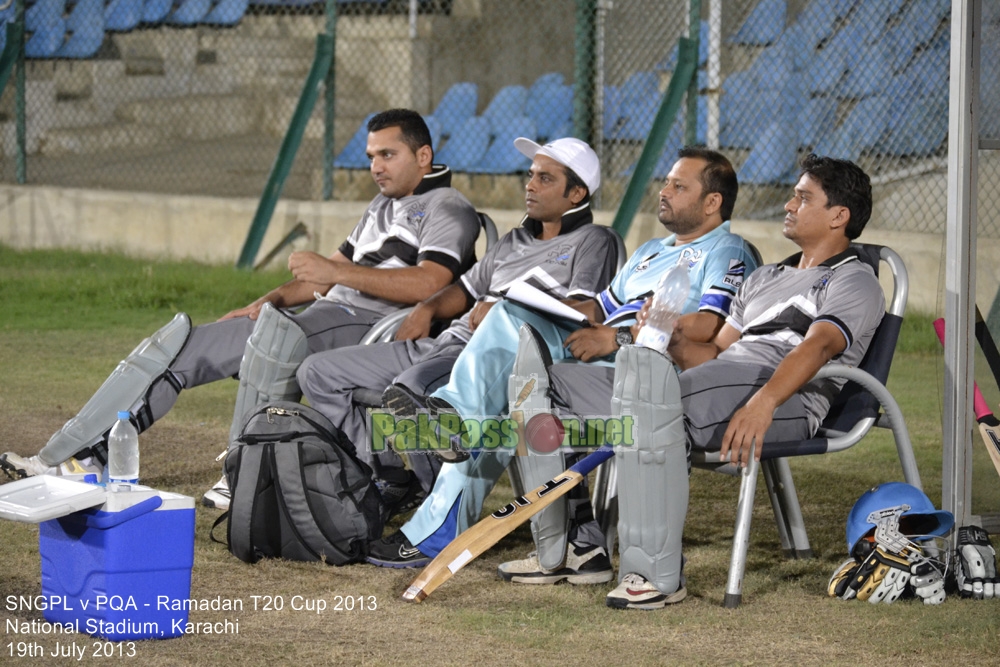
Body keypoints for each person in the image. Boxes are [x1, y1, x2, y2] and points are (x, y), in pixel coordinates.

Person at [0, 109, 481, 511]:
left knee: (268, 347)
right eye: (371, 156)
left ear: (423, 156)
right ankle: (79, 451)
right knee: (179, 346)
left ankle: (242, 473)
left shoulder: (447, 207)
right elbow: (323, 272)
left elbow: (431, 282)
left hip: (371, 328)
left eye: (388, 155)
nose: (376, 166)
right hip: (329, 314)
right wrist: (263, 302)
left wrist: (334, 277)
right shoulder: (380, 205)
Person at [504, 154, 885, 611]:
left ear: (839, 216)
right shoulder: (767, 277)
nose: (788, 205)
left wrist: (764, 403)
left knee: (651, 401)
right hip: (718, 381)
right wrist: (664, 334)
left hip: (784, 397)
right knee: (547, 385)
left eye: (803, 198)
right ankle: (570, 547)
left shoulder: (854, 280)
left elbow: (817, 349)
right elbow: (715, 355)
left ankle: (656, 573)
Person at [367, 147, 759, 570]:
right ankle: (576, 541)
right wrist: (545, 304)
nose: (663, 191)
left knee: (508, 399)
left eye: (679, 186)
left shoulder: (727, 249)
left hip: (647, 367)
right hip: (598, 351)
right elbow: (598, 311)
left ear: (712, 201)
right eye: (665, 182)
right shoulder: (649, 251)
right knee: (511, 327)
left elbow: (706, 327)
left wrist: (618, 338)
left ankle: (457, 476)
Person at [297, 136, 620, 520]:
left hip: (498, 360)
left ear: (577, 192)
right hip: (447, 342)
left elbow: (581, 313)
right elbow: (464, 291)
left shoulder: (595, 241)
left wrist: (505, 308)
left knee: (410, 393)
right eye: (530, 176)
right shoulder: (513, 240)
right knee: (317, 373)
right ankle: (387, 479)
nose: (530, 185)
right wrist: (427, 307)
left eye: (545, 179)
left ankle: (440, 511)